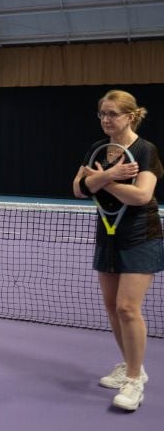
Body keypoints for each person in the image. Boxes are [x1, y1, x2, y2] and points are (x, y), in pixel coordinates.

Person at [72, 89, 163, 412]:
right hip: (107, 235)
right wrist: (109, 175)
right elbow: (78, 189)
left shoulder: (145, 149)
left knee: (127, 308)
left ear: (130, 115)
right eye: (102, 114)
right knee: (112, 307)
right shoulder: (98, 148)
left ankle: (135, 379)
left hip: (141, 235)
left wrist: (101, 180)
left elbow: (142, 196)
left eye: (113, 114)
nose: (106, 120)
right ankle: (128, 364)